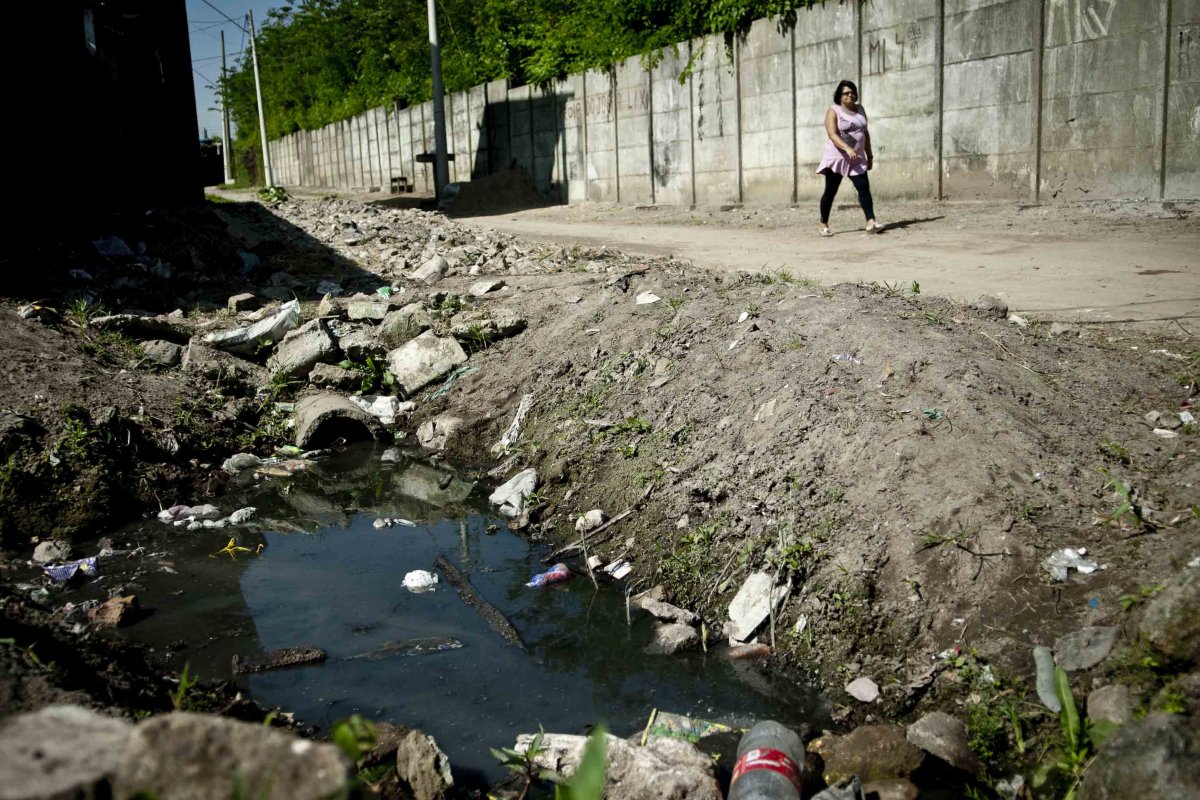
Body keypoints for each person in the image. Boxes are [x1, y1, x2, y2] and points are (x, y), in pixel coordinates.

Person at [816, 79, 881, 236]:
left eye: (852, 92)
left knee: (864, 188)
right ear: (839, 96)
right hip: (837, 157)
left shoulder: (860, 109)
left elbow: (865, 133)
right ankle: (823, 223)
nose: (850, 95)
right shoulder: (834, 110)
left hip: (857, 158)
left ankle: (871, 222)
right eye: (846, 93)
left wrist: (869, 155)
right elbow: (832, 134)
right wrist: (847, 148)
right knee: (831, 191)